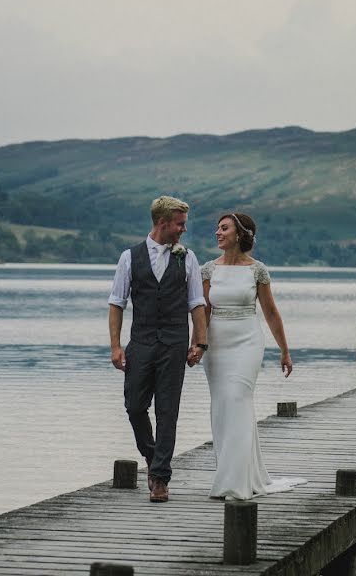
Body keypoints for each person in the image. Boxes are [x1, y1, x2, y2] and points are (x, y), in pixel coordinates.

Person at [108, 195, 208, 503]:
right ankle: (153, 457)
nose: (183, 230)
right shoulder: (130, 257)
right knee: (135, 406)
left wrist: (200, 343)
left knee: (168, 410)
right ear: (162, 223)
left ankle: (161, 478)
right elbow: (117, 303)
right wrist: (115, 346)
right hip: (140, 343)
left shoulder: (186, 258)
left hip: (174, 344)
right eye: (179, 224)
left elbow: (196, 303)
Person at [201, 212, 306, 500]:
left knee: (237, 397)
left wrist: (285, 350)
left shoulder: (257, 270)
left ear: (240, 234)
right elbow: (203, 312)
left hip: (247, 340)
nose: (217, 233)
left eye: (224, 228)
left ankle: (234, 483)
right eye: (217, 229)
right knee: (223, 406)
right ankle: (234, 473)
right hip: (216, 344)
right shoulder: (208, 270)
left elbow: (271, 313)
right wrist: (197, 344)